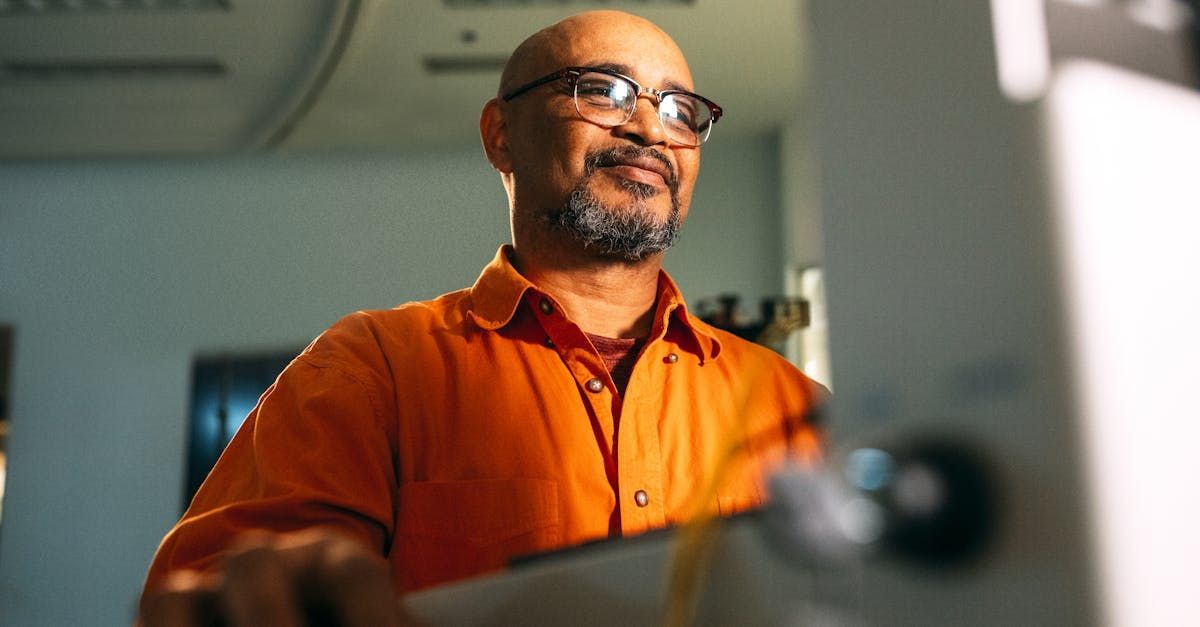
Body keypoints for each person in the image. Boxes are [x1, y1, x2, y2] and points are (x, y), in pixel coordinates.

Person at [139, 9, 823, 626]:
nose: (649, 127)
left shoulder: (796, 407)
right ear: (501, 135)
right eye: (602, 91)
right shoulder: (368, 372)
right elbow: (216, 596)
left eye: (680, 110)